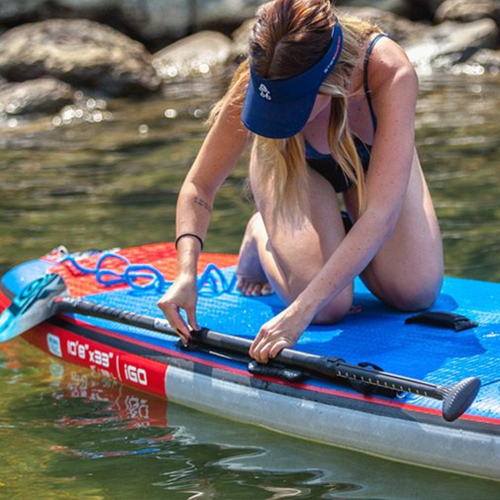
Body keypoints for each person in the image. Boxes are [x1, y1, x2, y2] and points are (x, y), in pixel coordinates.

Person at [158, 0, 444, 364]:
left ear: (336, 82)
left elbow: (380, 215)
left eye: (290, 105)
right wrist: (186, 272)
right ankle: (262, 232)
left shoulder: (389, 72)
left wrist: (299, 312)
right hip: (293, 167)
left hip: (371, 168)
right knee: (330, 309)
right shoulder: (264, 72)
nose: (278, 114)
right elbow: (200, 186)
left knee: (414, 292)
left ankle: (332, 238)